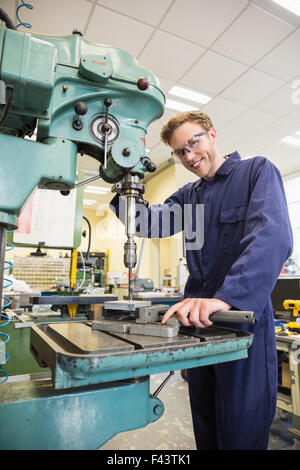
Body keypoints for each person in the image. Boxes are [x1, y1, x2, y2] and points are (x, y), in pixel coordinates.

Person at [110, 110, 293, 450]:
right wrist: (123, 183)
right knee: (206, 426)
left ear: (212, 134)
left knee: (241, 430)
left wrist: (226, 297)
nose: (190, 157)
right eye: (180, 152)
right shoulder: (189, 196)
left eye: (193, 143)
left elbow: (273, 236)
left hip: (243, 322)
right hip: (197, 325)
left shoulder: (256, 172)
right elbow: (147, 223)